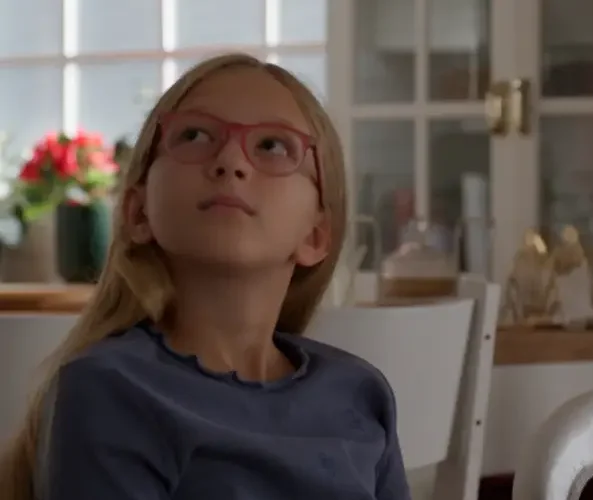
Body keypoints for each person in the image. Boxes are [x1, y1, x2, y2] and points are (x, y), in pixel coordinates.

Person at [0, 53, 411, 500]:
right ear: (138, 211)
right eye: (194, 135)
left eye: (273, 146)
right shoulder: (109, 390)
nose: (230, 161)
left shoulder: (360, 392)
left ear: (316, 234)